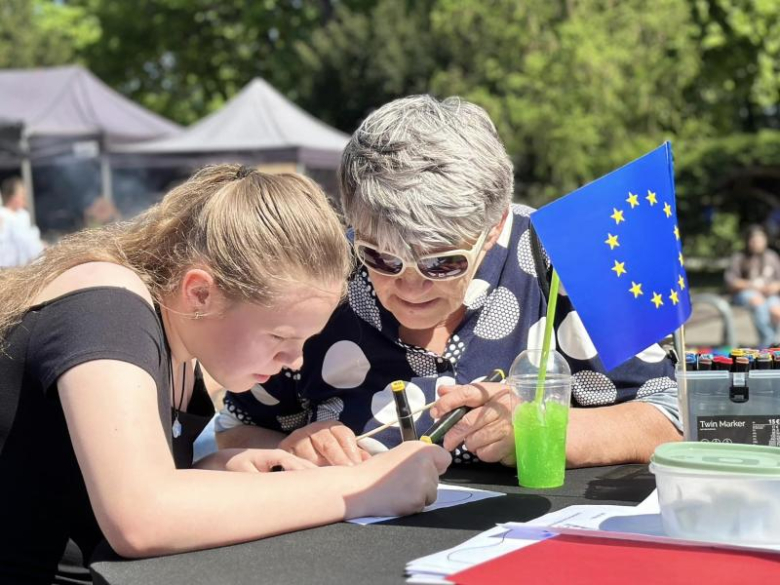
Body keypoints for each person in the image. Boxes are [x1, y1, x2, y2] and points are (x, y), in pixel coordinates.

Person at [0, 164, 449, 584]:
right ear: (200, 293)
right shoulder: (106, 308)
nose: (294, 361)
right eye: (279, 337)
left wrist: (216, 469)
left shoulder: (176, 339)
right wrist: (359, 487)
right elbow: (140, 517)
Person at [216, 95, 682, 469]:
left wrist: (546, 430)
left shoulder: (577, 253)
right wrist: (292, 449)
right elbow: (233, 429)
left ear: (495, 226)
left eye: (442, 264)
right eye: (381, 258)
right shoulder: (322, 278)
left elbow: (674, 416)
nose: (410, 287)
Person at [725, 224, 780, 348]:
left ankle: (776, 343)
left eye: (760, 240)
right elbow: (731, 281)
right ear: (748, 241)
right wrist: (751, 285)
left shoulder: (771, 256)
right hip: (746, 294)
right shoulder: (739, 257)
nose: (757, 243)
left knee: (777, 310)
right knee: (757, 302)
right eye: (754, 240)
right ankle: (768, 342)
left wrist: (773, 287)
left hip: (769, 295)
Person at [0, 176, 45, 267]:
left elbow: (31, 240)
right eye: (22, 194)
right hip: (7, 269)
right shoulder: (3, 215)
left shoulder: (23, 215)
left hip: (26, 266)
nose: (25, 196)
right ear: (12, 197)